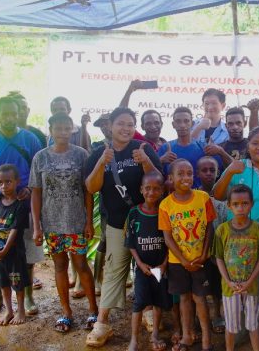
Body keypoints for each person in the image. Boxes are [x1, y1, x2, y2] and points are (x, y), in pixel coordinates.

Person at [84, 107, 161, 347]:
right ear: (110, 126)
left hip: (146, 222)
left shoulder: (143, 148)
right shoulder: (98, 152)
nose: (126, 129)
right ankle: (102, 323)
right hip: (116, 224)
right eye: (121, 124)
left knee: (147, 268)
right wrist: (101, 164)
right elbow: (91, 187)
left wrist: (146, 162)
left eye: (130, 124)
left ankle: (149, 312)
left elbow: (159, 182)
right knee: (115, 271)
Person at [0, 95, 43, 315]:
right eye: (5, 114)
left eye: (14, 113)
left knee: (27, 252)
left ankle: (28, 296)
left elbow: (38, 168)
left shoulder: (30, 139)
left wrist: (30, 188)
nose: (10, 117)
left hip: (24, 202)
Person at [30, 113, 97, 332]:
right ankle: (66, 312)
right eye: (58, 128)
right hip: (52, 223)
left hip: (76, 221)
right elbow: (36, 193)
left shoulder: (81, 155)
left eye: (67, 129)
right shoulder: (40, 157)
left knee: (81, 265)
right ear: (50, 130)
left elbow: (88, 191)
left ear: (73, 130)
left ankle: (93, 311)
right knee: (60, 266)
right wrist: (38, 226)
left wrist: (88, 221)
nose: (63, 133)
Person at [159, 159, 216, 351]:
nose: (186, 177)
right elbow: (167, 237)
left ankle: (207, 340)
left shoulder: (203, 198)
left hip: (200, 260)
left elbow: (209, 227)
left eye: (189, 173)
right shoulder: (165, 205)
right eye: (180, 174)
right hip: (178, 262)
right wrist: (183, 261)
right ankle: (186, 336)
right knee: (183, 299)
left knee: (200, 299)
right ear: (171, 178)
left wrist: (205, 253)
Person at [214, 184, 259, 351]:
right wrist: (228, 281)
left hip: (252, 287)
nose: (240, 208)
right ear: (229, 206)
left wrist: (250, 281)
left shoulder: (258, 229)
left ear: (251, 204)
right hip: (230, 288)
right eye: (236, 204)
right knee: (231, 325)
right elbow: (219, 258)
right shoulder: (222, 230)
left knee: (252, 324)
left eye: (245, 203)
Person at [126, 171, 171, 351]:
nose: (151, 192)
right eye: (147, 188)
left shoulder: (165, 212)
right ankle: (134, 340)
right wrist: (139, 263)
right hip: (142, 269)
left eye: (156, 189)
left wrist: (164, 264)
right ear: (141, 189)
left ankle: (155, 336)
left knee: (159, 302)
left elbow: (169, 242)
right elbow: (130, 243)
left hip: (160, 268)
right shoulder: (134, 213)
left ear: (162, 191)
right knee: (139, 303)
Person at [0, 164, 30, 326]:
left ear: (17, 181)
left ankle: (20, 310)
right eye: (0, 182)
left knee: (17, 283)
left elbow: (14, 230)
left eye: (8, 182)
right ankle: (9, 311)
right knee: (2, 282)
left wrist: (5, 250)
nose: (4, 186)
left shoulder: (20, 205)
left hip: (14, 254)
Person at [198, 156, 230, 335]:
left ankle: (223, 314)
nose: (209, 174)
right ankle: (214, 312)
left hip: (223, 249)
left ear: (218, 172)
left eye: (213, 170)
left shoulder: (225, 198)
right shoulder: (195, 196)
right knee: (209, 284)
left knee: (221, 281)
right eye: (204, 170)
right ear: (198, 173)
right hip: (203, 249)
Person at [157, 106, 218, 189]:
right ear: (173, 124)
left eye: (186, 121)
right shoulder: (165, 148)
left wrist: (219, 151)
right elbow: (153, 173)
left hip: (198, 197)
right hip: (173, 198)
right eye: (178, 121)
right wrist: (161, 160)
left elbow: (217, 171)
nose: (182, 125)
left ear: (192, 124)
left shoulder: (203, 148)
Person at [118, 79, 167, 150]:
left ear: (161, 124)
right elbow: (121, 113)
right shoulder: (139, 141)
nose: (153, 127)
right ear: (142, 126)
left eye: (156, 123)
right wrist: (129, 90)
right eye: (148, 123)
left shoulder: (168, 145)